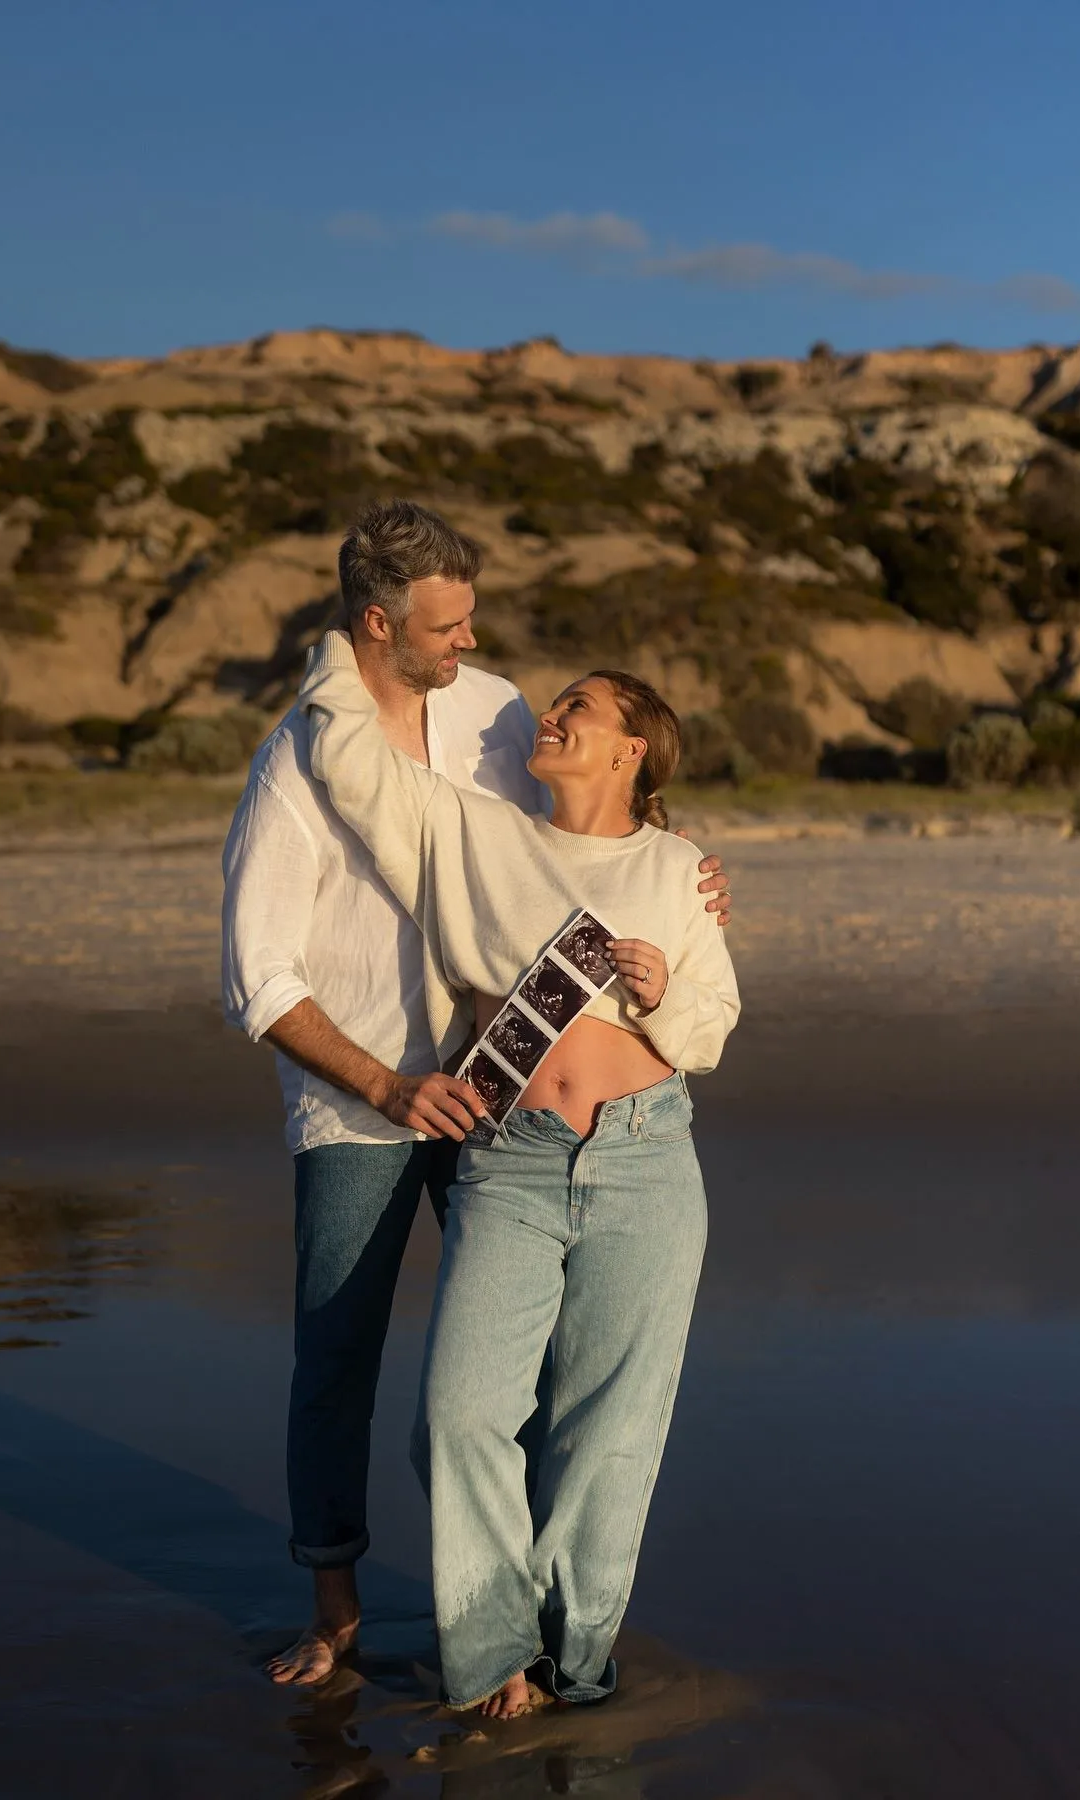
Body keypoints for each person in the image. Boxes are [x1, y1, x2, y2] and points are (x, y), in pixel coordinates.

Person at [220, 500, 733, 1686]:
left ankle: (543, 1629)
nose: (470, 643)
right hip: (361, 1097)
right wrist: (388, 1087)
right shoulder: (301, 757)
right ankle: (337, 1608)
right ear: (375, 624)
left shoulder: (495, 708)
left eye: (470, 620)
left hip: (502, 1100)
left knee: (552, 1376)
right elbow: (260, 982)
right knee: (345, 1356)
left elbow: (595, 821)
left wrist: (681, 878)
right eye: (445, 625)